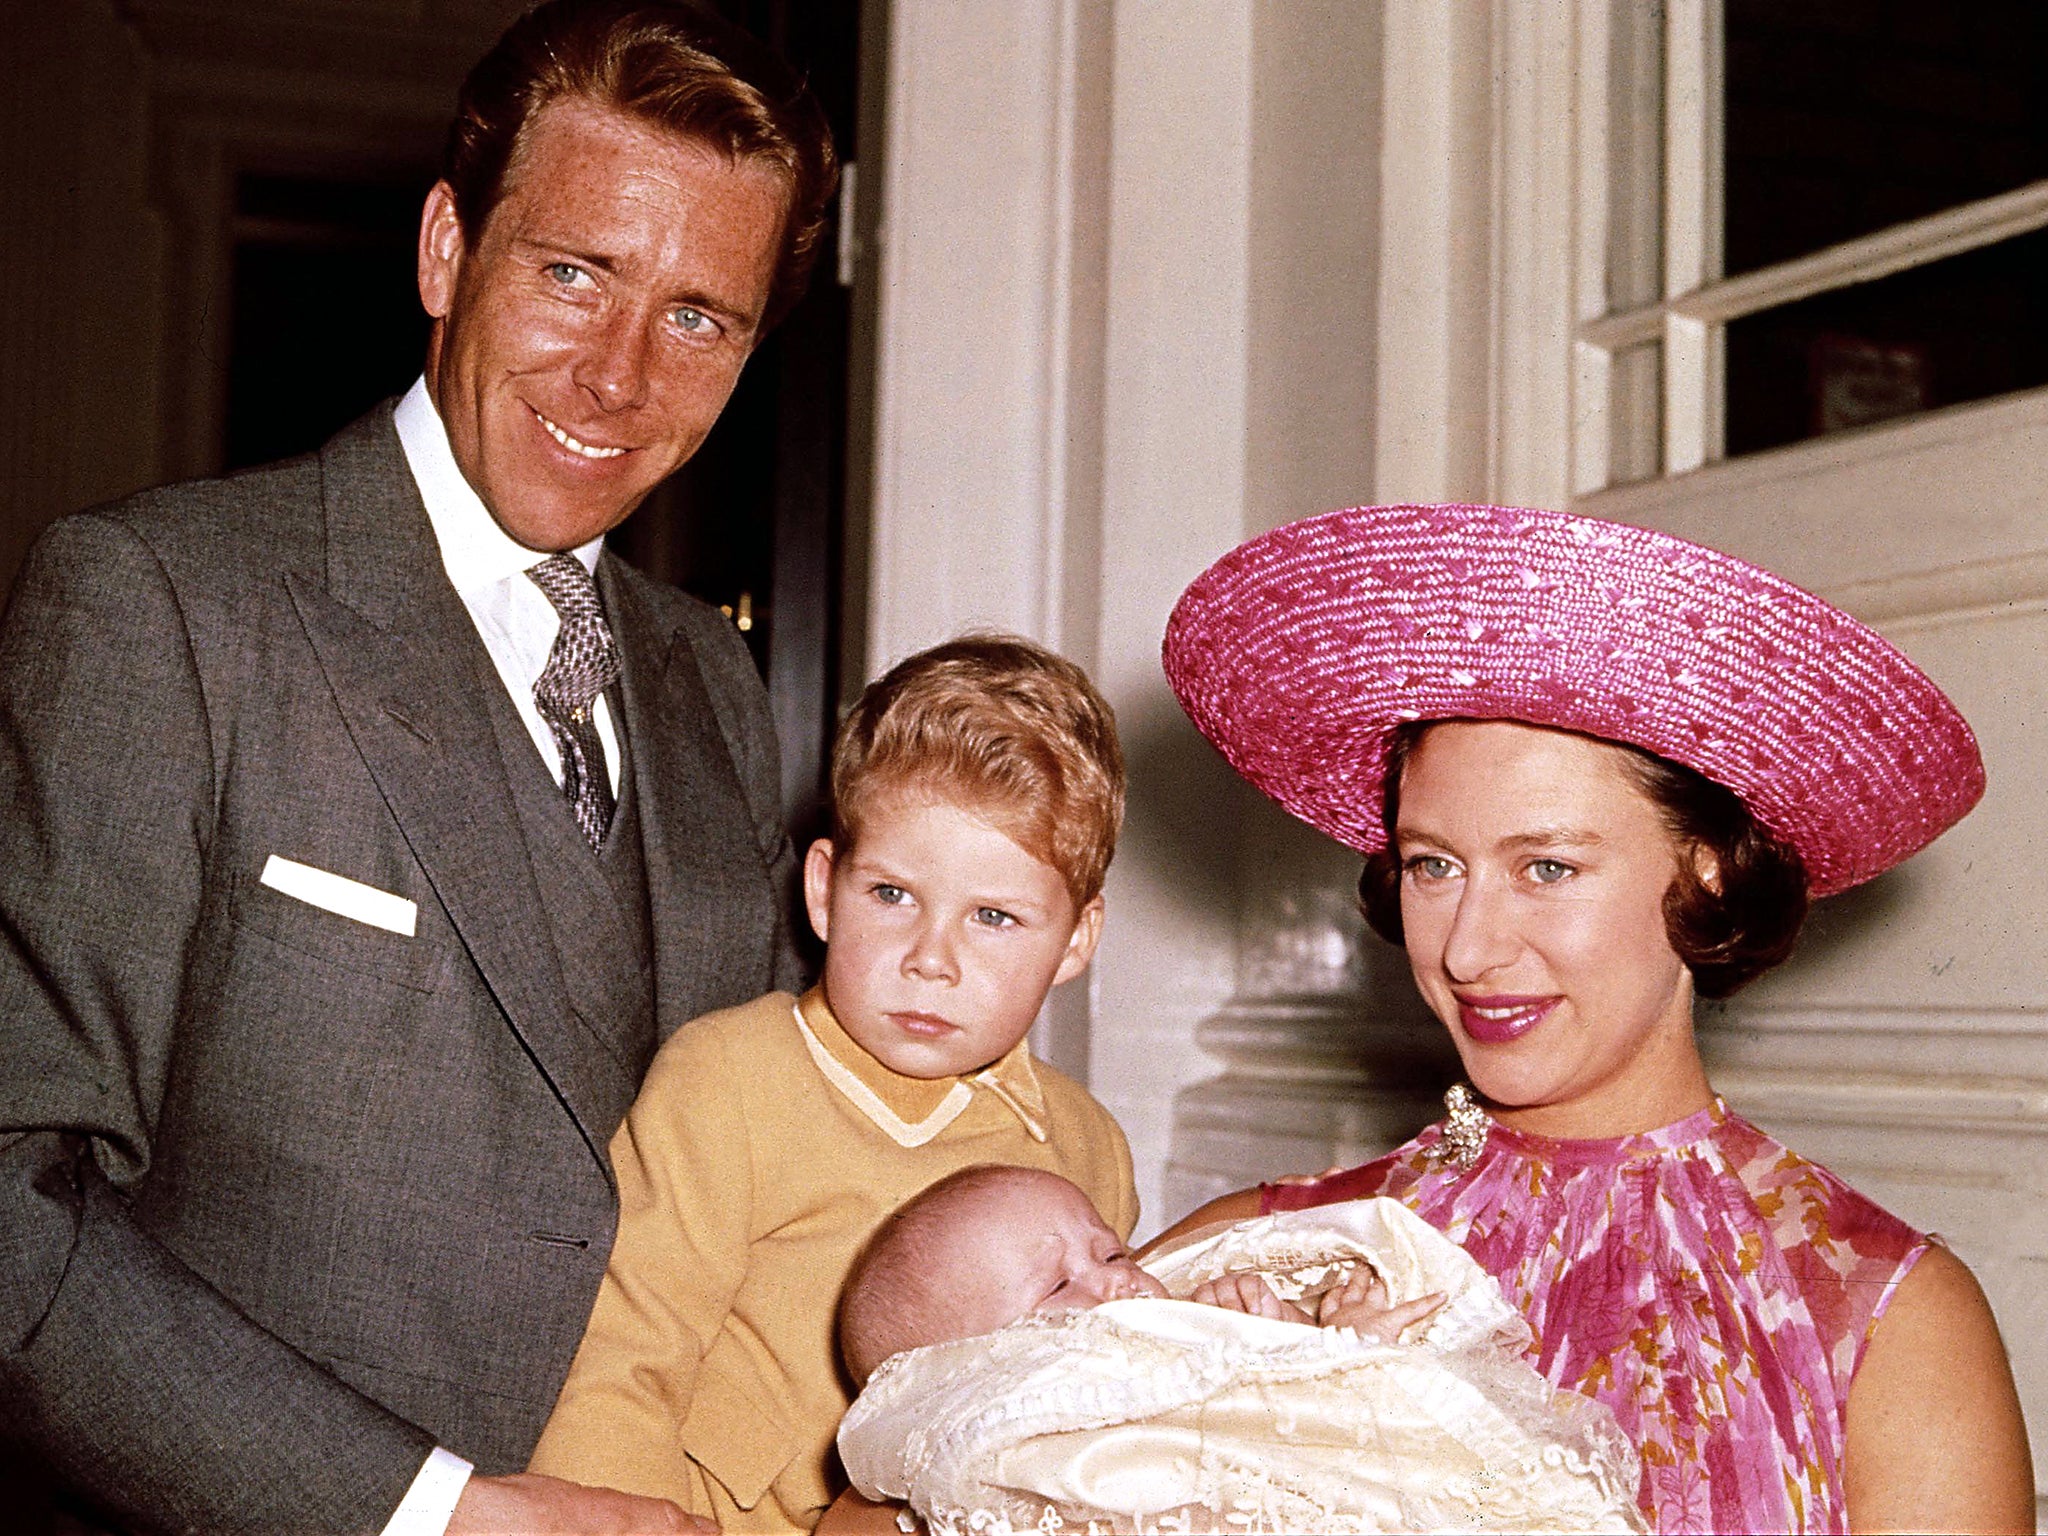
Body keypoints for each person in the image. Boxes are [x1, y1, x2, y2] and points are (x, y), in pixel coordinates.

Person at [0, 3, 836, 1532]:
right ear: (448, 251)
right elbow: (10, 1206)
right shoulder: (161, 605)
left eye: (699, 318)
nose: (618, 377)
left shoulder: (714, 684)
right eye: (573, 275)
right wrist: (438, 1511)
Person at [1150, 502, 2035, 1534]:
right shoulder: (1257, 1259)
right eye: (1434, 865)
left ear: (1701, 867)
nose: (1466, 947)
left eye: (1546, 867)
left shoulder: (1884, 1323)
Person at [525, 635, 1142, 1531]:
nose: (931, 960)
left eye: (995, 917)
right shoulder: (730, 1081)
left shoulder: (1085, 1144)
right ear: (823, 889)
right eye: (891, 896)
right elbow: (622, 1359)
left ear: (1077, 942)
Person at [833, 1165, 1645, 1535]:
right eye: (1055, 1290)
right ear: (962, 1377)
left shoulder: (1190, 1312)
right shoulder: (1013, 1428)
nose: (1116, 1284)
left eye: (1113, 1253)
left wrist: (1308, 1337)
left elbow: (1306, 1424)